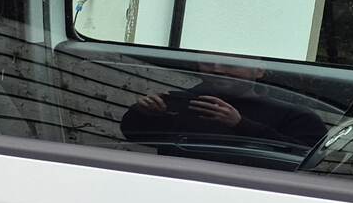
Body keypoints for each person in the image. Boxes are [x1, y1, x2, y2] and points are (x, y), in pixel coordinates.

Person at [120, 61, 328, 152]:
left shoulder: (297, 115)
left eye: (229, 63)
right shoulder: (181, 101)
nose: (217, 69)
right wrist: (143, 113)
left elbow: (305, 157)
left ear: (259, 69)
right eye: (208, 62)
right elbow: (133, 133)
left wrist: (240, 125)